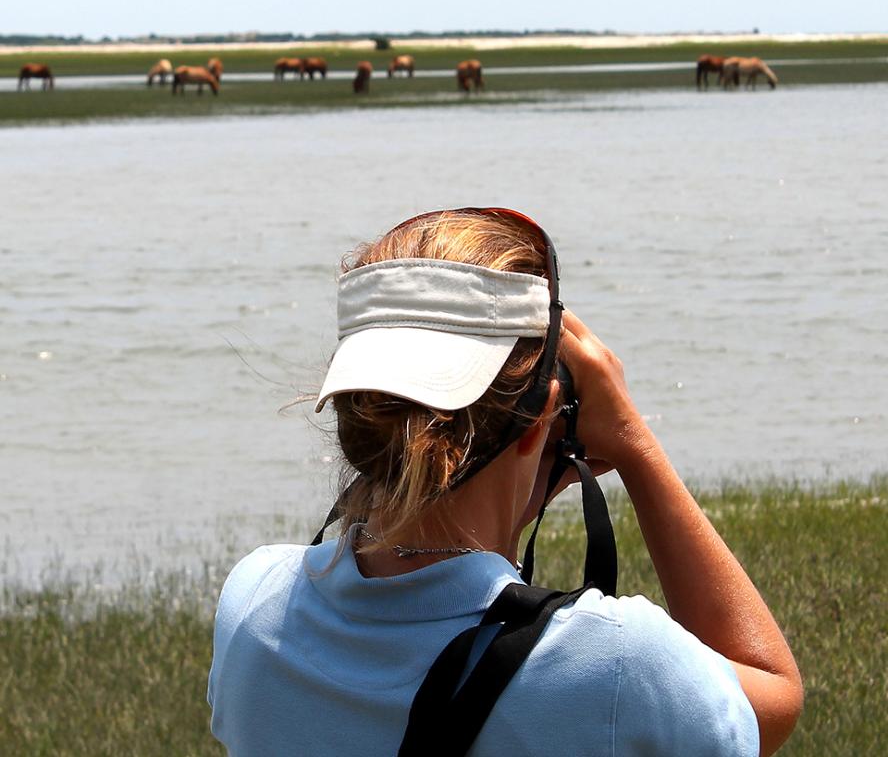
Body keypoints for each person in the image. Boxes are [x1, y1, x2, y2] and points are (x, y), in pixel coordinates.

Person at [208, 208, 803, 756]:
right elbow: (772, 698)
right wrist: (632, 442)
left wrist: (509, 487)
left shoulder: (256, 606)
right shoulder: (613, 665)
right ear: (544, 416)